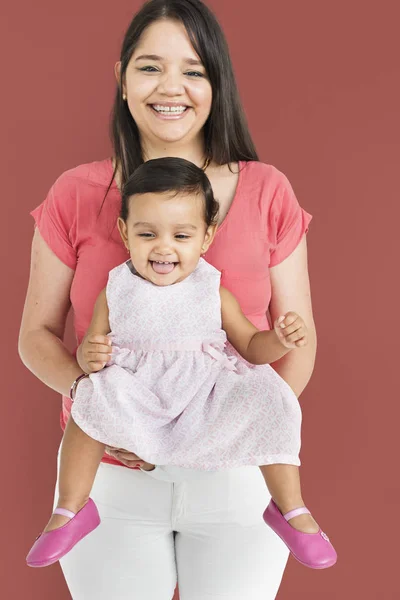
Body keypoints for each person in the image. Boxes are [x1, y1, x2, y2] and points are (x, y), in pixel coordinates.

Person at [18, 1, 321, 598]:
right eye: (150, 67)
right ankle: (70, 508)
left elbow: (297, 339)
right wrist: (105, 410)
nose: (171, 88)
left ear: (217, 83)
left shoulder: (267, 190)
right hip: (111, 474)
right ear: (122, 79)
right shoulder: (75, 193)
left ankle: (289, 510)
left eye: (194, 70)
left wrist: (238, 420)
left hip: (236, 471)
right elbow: (35, 337)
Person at [25, 158, 337, 571]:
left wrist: (277, 340)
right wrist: (89, 357)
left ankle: (291, 509)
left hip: (203, 391)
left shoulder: (213, 290)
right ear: (125, 233)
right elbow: (90, 351)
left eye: (181, 235)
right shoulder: (115, 289)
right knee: (90, 398)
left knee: (269, 395)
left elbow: (250, 346)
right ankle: (70, 509)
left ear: (206, 238)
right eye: (147, 234)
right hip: (137, 390)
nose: (164, 247)